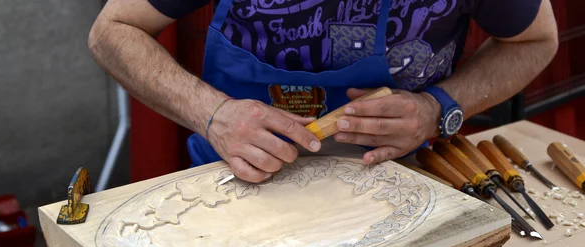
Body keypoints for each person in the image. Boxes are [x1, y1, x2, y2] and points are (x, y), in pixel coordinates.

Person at [88, 0, 558, 183]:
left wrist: (440, 108)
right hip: (237, 183)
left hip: (408, 181)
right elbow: (113, 29)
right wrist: (216, 114)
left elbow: (537, 40)